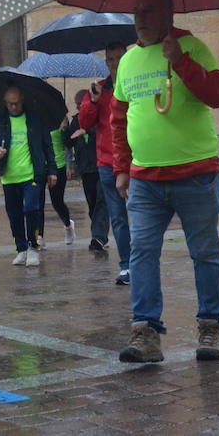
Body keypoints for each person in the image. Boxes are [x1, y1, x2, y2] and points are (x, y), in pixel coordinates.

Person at [112, 0, 219, 364]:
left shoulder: (191, 47)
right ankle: (146, 333)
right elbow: (119, 117)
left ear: (168, 14)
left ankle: (210, 327)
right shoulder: (129, 59)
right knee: (142, 252)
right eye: (135, 11)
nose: (139, 17)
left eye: (147, 11)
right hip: (145, 180)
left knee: (205, 253)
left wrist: (180, 61)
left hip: (195, 174)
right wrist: (121, 167)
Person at [0, 87, 58, 268]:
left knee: (32, 208)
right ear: (5, 102)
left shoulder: (35, 120)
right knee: (14, 214)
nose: (14, 107)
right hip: (9, 177)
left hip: (31, 174)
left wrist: (52, 170)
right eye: (10, 104)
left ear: (22, 100)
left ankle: (33, 246)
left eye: (16, 103)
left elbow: (48, 146)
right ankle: (21, 249)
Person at [78, 44, 131, 283]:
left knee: (140, 215)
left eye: (119, 57)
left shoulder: (134, 84)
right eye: (110, 58)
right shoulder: (99, 90)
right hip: (107, 162)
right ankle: (127, 265)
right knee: (118, 217)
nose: (114, 62)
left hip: (135, 160)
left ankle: (141, 261)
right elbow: (85, 122)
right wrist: (93, 101)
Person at [63, 90, 109, 252]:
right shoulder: (75, 121)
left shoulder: (97, 119)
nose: (79, 108)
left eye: (81, 105)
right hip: (85, 168)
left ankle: (99, 237)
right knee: (92, 203)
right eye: (77, 106)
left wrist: (87, 130)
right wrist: (64, 129)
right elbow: (68, 143)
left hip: (100, 165)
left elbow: (102, 133)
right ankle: (99, 233)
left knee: (100, 201)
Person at [46, 116, 76, 245]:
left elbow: (68, 146)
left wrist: (64, 130)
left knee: (57, 202)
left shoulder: (60, 120)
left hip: (59, 166)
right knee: (36, 203)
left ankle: (68, 225)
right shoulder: (37, 121)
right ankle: (39, 237)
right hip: (41, 166)